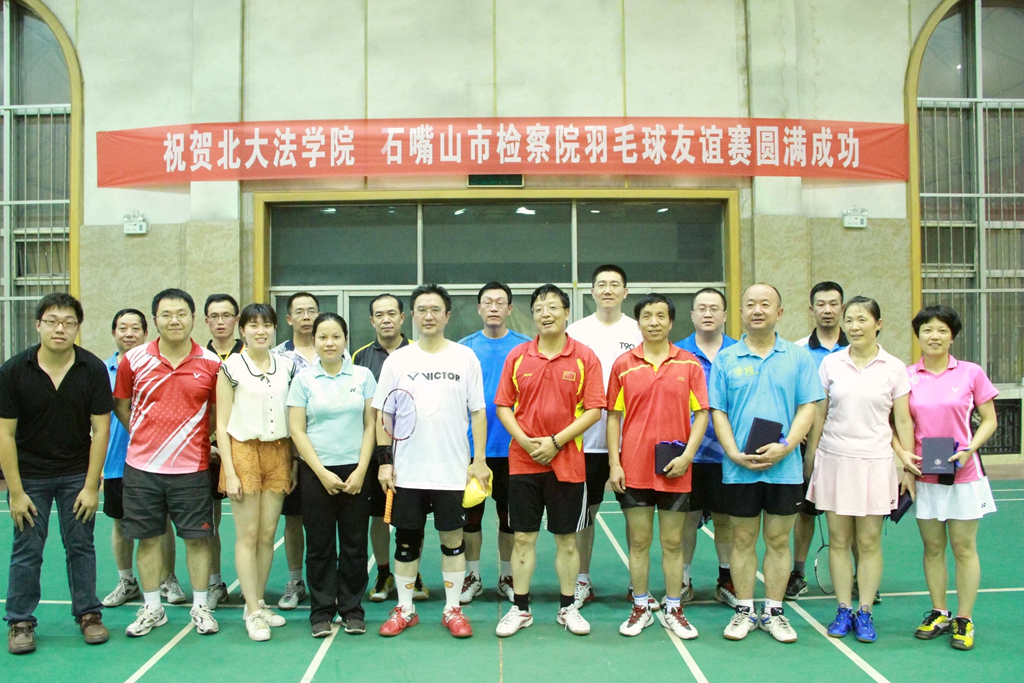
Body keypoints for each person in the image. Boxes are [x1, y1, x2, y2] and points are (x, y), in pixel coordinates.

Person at [373, 284, 490, 638]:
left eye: (436, 309)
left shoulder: (464, 357)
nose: (429, 315)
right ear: (412, 315)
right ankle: (405, 609)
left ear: (447, 315)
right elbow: (383, 414)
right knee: (406, 542)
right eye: (422, 309)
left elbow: (478, 412)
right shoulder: (398, 361)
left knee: (453, 541)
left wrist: (479, 461)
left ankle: (452, 609)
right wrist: (385, 461)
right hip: (408, 472)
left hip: (452, 471)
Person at [709, 284, 823, 644]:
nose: (757, 310)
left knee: (778, 540)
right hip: (739, 468)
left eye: (765, 304)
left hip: (784, 469)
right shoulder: (726, 359)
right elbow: (717, 410)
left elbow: (808, 407)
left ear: (779, 312)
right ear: (741, 312)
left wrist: (786, 447)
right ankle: (744, 609)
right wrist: (732, 452)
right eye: (750, 304)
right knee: (742, 539)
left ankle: (774, 611)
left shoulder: (798, 358)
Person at [1, 293, 112, 654]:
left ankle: (89, 614)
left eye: (68, 322)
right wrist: (16, 492)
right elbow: (5, 434)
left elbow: (101, 430)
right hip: (30, 476)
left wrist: (92, 486)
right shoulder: (14, 370)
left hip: (76, 474)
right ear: (38, 325)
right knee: (27, 549)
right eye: (52, 321)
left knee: (81, 546)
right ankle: (20, 621)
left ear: (78, 328)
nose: (59, 328)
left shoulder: (92, 369)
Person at [803, 297, 919, 643]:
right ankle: (843, 609)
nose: (854, 326)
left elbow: (902, 421)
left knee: (868, 542)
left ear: (878, 324)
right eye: (850, 320)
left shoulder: (894, 368)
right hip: (835, 460)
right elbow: (819, 413)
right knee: (839, 541)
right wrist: (811, 456)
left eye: (862, 320)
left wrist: (908, 466)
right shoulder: (831, 363)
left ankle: (864, 611)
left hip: (875, 462)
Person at [494, 284, 605, 638]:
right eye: (539, 308)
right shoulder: (518, 356)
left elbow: (594, 410)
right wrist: (525, 441)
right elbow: (503, 405)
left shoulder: (585, 357)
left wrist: (557, 442)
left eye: (553, 307)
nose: (546, 313)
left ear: (566, 312)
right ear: (532, 315)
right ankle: (520, 608)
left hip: (567, 462)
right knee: (522, 538)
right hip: (523, 463)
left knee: (567, 541)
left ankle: (568, 607)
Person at [114, 288, 222, 638]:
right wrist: (145, 436)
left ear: (193, 318)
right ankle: (152, 608)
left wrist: (195, 440)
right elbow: (122, 405)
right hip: (141, 469)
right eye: (166, 314)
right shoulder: (134, 360)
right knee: (147, 540)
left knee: (198, 541)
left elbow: (216, 412)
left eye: (181, 314)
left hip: (192, 469)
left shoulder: (211, 363)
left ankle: (201, 606)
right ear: (155, 320)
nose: (174, 320)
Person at [607, 294, 708, 639]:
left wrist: (688, 456)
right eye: (647, 316)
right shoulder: (624, 364)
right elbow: (613, 416)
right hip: (634, 468)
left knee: (673, 541)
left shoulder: (689, 364)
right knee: (639, 541)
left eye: (661, 316)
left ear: (671, 322)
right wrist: (614, 463)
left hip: (675, 467)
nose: (654, 322)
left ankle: (674, 608)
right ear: (638, 323)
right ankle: (640, 606)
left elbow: (702, 413)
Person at [902, 305, 999, 651]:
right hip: (926, 476)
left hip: (964, 475)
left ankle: (964, 617)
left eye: (942, 330)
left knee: (963, 547)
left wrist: (970, 448)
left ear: (952, 336)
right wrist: (905, 462)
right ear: (918, 335)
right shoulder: (907, 377)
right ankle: (939, 612)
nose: (934, 336)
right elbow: (899, 425)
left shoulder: (971, 373)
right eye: (927, 330)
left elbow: (990, 419)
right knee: (932, 547)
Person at [289, 312, 377, 637]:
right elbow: (297, 430)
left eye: (336, 336)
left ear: (345, 340)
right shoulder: (303, 380)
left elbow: (371, 425)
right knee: (320, 545)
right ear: (314, 341)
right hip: (316, 472)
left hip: (356, 471)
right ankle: (321, 612)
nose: (329, 343)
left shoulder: (363, 376)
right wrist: (321, 472)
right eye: (323, 337)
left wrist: (362, 469)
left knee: (355, 544)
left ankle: (352, 610)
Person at [216, 303, 295, 641]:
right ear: (242, 330)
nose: (260, 331)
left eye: (266, 325)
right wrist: (230, 471)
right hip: (244, 452)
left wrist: (293, 461)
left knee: (267, 534)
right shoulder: (231, 367)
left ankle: (259, 602)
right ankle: (251, 611)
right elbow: (221, 425)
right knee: (247, 534)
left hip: (279, 452)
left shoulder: (287, 365)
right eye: (253, 325)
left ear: (275, 328)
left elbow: (294, 417)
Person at [566, 265, 642, 608]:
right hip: (587, 441)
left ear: (625, 292)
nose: (608, 290)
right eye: (601, 284)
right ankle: (582, 579)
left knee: (637, 517)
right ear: (592, 291)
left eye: (615, 284)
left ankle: (637, 583)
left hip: (633, 441)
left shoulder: (639, 330)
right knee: (586, 514)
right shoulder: (576, 331)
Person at [100, 309, 181, 609]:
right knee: (121, 523)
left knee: (162, 522)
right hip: (116, 462)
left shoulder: (157, 366)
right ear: (114, 332)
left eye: (136, 328)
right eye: (123, 328)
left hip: (155, 461)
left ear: (146, 333)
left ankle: (168, 578)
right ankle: (127, 581)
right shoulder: (101, 371)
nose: (129, 333)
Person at [457, 282, 530, 603]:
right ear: (479, 308)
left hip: (513, 449)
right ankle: (472, 576)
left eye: (500, 302)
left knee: (509, 518)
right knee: (470, 517)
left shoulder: (525, 347)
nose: (494, 307)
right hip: (472, 451)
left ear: (509, 309)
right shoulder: (463, 349)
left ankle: (507, 576)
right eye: (487, 302)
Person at [352, 293, 425, 603]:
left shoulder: (419, 352)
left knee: (414, 517)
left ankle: (412, 571)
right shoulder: (360, 357)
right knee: (378, 516)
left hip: (415, 450)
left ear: (402, 317)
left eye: (391, 314)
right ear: (372, 320)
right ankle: (384, 573)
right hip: (375, 452)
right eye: (379, 315)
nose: (386, 319)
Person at [677, 288, 739, 607]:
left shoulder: (739, 352)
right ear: (692, 315)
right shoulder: (678, 353)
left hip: (728, 455)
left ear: (725, 315)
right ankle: (683, 581)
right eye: (701, 308)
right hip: (688, 454)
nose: (708, 313)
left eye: (714, 308)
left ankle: (726, 579)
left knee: (725, 519)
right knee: (686, 520)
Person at [788, 281, 848, 600]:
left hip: (848, 446)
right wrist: (797, 434)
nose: (827, 310)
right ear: (811, 309)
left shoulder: (858, 349)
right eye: (821, 304)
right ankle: (798, 573)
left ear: (842, 308)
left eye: (833, 303)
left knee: (851, 513)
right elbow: (790, 397)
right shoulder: (797, 351)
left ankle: (855, 575)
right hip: (806, 446)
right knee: (805, 512)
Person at [272, 292, 320, 611]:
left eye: (311, 311)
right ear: (289, 318)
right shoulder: (278, 357)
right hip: (291, 451)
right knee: (293, 519)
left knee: (323, 521)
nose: (306, 316)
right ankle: (294, 581)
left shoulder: (335, 351)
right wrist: (290, 457)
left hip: (329, 452)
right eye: (299, 311)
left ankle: (322, 581)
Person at [203, 293, 244, 609]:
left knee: (251, 526)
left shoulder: (252, 355)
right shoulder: (199, 358)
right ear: (206, 321)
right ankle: (215, 582)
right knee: (209, 523)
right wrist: (207, 443)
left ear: (236, 320)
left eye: (226, 315)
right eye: (214, 316)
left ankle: (251, 585)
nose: (220, 322)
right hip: (208, 452)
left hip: (245, 449)